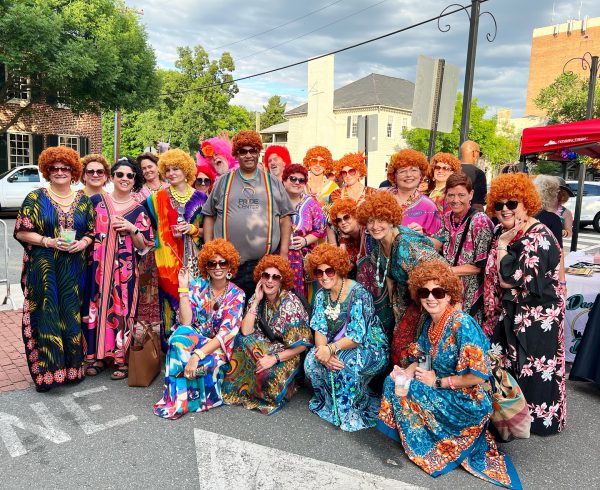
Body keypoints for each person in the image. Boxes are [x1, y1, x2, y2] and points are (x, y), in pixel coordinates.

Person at [378, 261, 522, 490]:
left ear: (449, 295)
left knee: (409, 388)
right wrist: (406, 371)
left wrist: (437, 381)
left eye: (438, 291)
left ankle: (441, 443)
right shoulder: (432, 323)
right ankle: (428, 438)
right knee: (394, 381)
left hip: (468, 399)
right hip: (444, 388)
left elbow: (479, 376)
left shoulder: (462, 324)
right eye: (424, 292)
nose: (430, 298)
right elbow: (424, 357)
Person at [483, 173, 566, 436]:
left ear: (526, 203)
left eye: (512, 203)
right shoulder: (501, 230)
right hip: (511, 312)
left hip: (538, 315)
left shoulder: (538, 236)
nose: (505, 209)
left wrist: (504, 246)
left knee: (535, 368)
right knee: (506, 364)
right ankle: (511, 419)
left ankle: (536, 423)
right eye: (499, 205)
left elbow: (509, 280)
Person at [14, 147, 95, 392]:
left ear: (73, 172)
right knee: (47, 316)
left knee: (70, 315)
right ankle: (47, 374)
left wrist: (83, 242)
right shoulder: (35, 198)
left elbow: (92, 232)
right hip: (44, 269)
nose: (60, 172)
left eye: (65, 168)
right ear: (47, 171)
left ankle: (71, 370)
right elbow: (21, 231)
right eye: (54, 168)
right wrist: (48, 241)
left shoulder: (83, 201)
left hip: (73, 269)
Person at [153, 239, 245, 419]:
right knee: (178, 337)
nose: (218, 267)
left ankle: (198, 399)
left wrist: (197, 355)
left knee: (201, 364)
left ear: (230, 266)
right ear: (206, 267)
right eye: (212, 263)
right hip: (196, 339)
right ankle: (178, 399)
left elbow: (225, 335)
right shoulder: (197, 286)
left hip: (217, 347)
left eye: (223, 262)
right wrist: (183, 287)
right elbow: (186, 322)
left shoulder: (237, 294)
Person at [304, 244, 389, 432]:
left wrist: (331, 350)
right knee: (311, 361)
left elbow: (357, 337)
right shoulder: (320, 295)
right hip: (336, 346)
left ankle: (351, 409)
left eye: (330, 270)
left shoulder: (359, 293)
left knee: (345, 364)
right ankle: (331, 404)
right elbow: (319, 329)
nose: (325, 276)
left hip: (370, 347)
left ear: (339, 269)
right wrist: (322, 352)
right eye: (319, 272)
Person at [202, 130, 295, 300]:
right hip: (226, 264)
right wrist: (209, 250)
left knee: (259, 314)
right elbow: (209, 215)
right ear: (236, 154)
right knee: (229, 313)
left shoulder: (272, 182)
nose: (248, 155)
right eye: (243, 151)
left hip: (263, 263)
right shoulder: (223, 182)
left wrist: (283, 254)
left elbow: (285, 218)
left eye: (253, 150)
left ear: (259, 153)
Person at [83, 158, 153, 380]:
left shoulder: (139, 210)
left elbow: (144, 245)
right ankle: (96, 357)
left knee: (122, 310)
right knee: (95, 308)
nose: (124, 179)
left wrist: (133, 229)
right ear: (112, 177)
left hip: (125, 272)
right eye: (120, 175)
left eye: (130, 176)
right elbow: (83, 232)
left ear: (135, 180)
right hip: (97, 267)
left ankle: (121, 360)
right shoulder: (95, 202)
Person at [356, 192, 439, 365]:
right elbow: (389, 278)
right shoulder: (378, 243)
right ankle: (408, 382)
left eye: (381, 220)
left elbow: (437, 276)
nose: (375, 226)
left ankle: (422, 383)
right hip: (405, 300)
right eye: (370, 221)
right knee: (402, 349)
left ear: (392, 219)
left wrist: (430, 311)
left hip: (429, 299)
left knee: (420, 347)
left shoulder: (406, 244)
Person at [223, 255, 312, 414]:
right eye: (266, 276)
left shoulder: (290, 303)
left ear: (281, 281)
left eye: (275, 277)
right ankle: (243, 389)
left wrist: (273, 359)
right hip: (265, 346)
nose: (270, 281)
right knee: (240, 340)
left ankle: (287, 386)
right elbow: (246, 331)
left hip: (287, 353)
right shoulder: (258, 297)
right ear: (260, 278)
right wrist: (256, 301)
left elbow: (302, 346)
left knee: (268, 376)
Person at [146, 149, 208, 350]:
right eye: (169, 169)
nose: (172, 173)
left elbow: (209, 230)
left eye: (177, 169)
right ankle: (171, 348)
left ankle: (195, 344)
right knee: (169, 303)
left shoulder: (201, 198)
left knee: (194, 299)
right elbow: (144, 223)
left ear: (187, 170)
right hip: (166, 260)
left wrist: (192, 229)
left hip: (195, 260)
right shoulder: (156, 198)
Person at [431, 172, 493, 324]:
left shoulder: (480, 221)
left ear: (471, 195)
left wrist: (447, 271)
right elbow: (437, 242)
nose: (455, 200)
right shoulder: (447, 218)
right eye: (451, 195)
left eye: (461, 195)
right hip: (449, 288)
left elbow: (480, 266)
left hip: (470, 292)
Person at [133, 152, 168, 323]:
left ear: (157, 166)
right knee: (148, 287)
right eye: (143, 169)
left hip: (171, 245)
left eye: (150, 166)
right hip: (149, 248)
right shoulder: (138, 194)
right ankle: (148, 334)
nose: (147, 170)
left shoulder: (170, 187)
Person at [283, 164, 326, 298]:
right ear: (284, 180)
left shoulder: (311, 203)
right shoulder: (275, 202)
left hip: (303, 261)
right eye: (293, 179)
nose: (297, 182)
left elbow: (321, 229)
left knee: (303, 299)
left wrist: (305, 240)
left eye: (301, 180)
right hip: (280, 257)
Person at [385, 149, 442, 237]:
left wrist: (421, 236)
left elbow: (439, 242)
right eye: (402, 171)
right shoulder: (381, 196)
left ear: (421, 174)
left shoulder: (429, 206)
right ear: (394, 175)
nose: (408, 175)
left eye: (414, 170)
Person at [329, 198, 363, 279]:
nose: (343, 222)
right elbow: (345, 267)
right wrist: (343, 241)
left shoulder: (366, 232)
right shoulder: (345, 237)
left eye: (346, 217)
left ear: (355, 216)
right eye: (339, 220)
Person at [533, 175, 564, 247]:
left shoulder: (525, 214)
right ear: (552, 195)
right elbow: (558, 250)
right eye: (557, 193)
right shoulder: (553, 219)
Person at [459, 140, 487, 212]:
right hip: (466, 217)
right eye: (479, 154)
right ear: (474, 153)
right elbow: (477, 204)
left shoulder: (450, 169)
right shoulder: (478, 173)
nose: (479, 157)